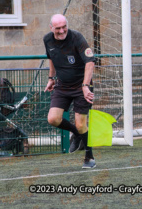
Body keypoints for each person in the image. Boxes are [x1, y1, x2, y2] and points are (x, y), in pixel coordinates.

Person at [43, 14, 96, 169]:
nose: (62, 30)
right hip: (62, 85)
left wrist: (85, 85)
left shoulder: (77, 38)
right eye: (58, 28)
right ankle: (78, 134)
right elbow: (51, 58)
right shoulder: (47, 39)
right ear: (51, 28)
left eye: (64, 26)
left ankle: (89, 156)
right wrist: (51, 78)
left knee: (81, 124)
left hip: (81, 87)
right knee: (53, 119)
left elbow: (90, 62)